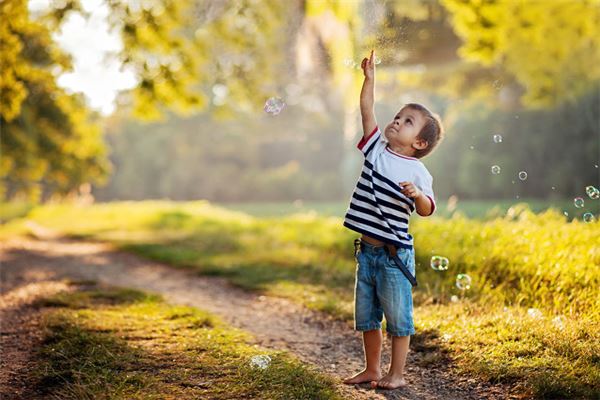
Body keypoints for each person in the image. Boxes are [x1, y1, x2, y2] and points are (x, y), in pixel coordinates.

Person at [342, 49, 445, 390]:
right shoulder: (375, 148)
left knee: (399, 321)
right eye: (399, 116)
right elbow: (367, 110)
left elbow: (429, 207)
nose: (397, 121)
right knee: (368, 318)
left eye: (407, 121)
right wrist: (369, 80)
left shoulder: (417, 170)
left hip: (393, 258)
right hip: (366, 254)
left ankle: (396, 374)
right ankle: (372, 369)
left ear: (419, 142)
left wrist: (416, 195)